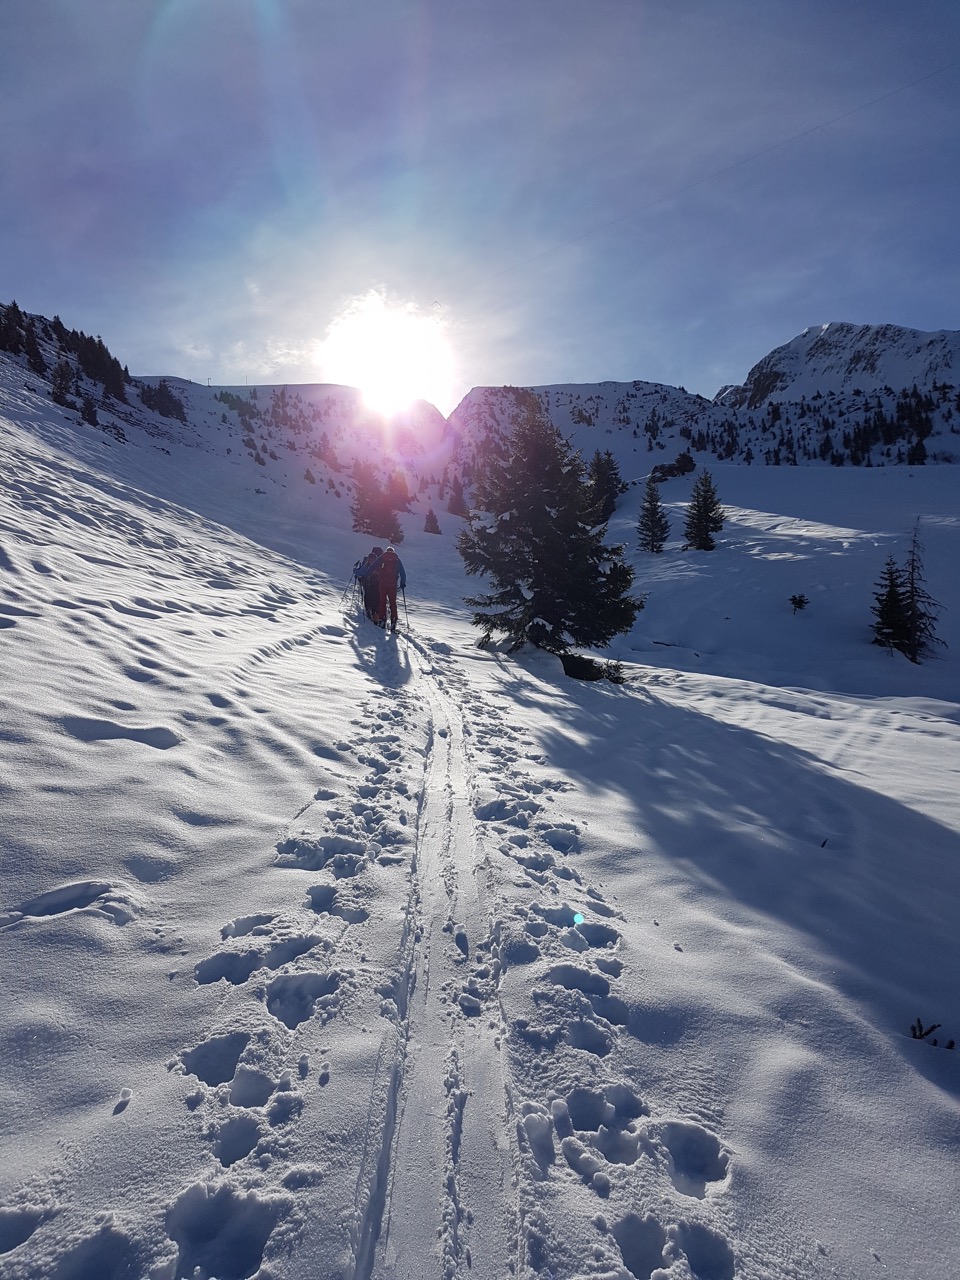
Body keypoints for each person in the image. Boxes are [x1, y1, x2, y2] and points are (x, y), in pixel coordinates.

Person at [375, 546, 406, 632]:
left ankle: (382, 619)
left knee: (382, 601)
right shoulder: (396, 560)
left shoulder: (382, 558)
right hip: (392, 585)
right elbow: (403, 573)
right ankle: (393, 620)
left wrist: (361, 573)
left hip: (382, 584)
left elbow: (372, 567)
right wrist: (402, 583)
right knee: (393, 602)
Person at [355, 547, 383, 620]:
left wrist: (355, 570)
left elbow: (360, 572)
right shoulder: (380, 563)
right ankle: (376, 613)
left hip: (367, 584)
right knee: (377, 598)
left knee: (368, 596)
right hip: (377, 584)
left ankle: (369, 609)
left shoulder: (367, 562)